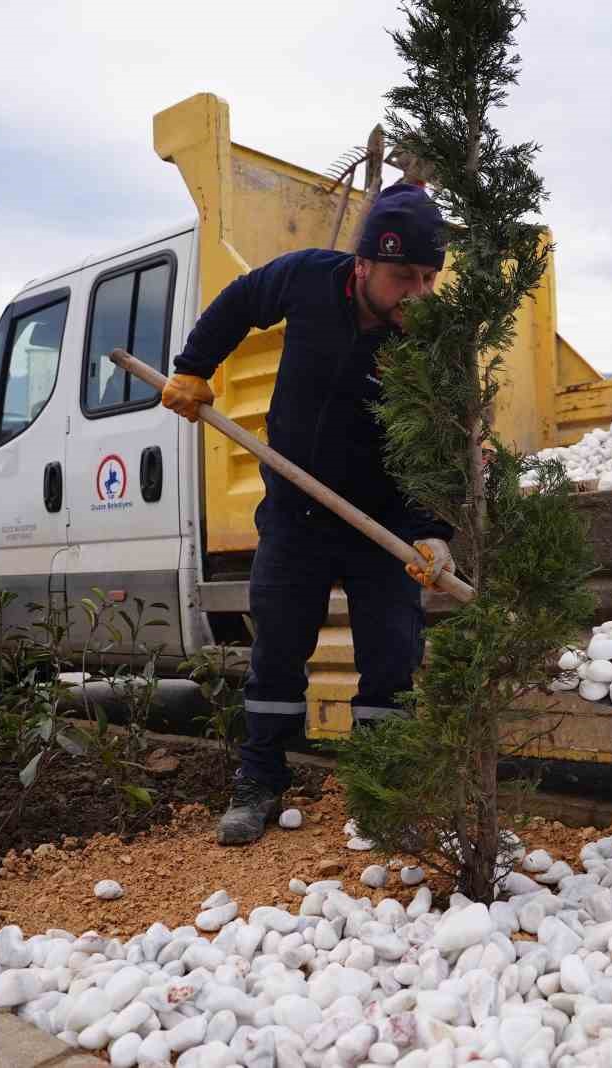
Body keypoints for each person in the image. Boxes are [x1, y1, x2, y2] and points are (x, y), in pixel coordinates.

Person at [161, 183, 456, 845]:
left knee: (391, 663)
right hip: (295, 515)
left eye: (429, 277)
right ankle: (259, 783)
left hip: (383, 528)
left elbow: (442, 448)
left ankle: (383, 797)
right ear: (361, 266)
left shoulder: (433, 342)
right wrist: (193, 367)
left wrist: (436, 531)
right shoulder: (307, 278)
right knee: (277, 656)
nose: (418, 292)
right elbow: (239, 302)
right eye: (402, 276)